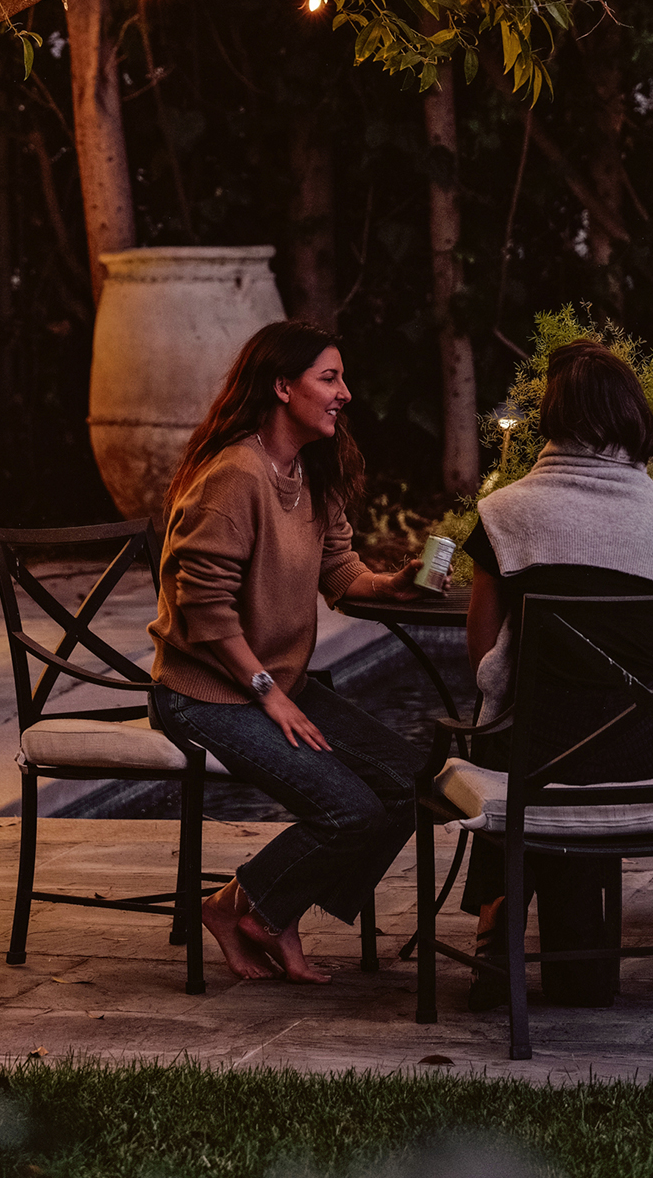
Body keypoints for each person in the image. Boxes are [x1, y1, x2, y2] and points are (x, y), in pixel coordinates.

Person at [149, 319, 425, 983]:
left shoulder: (310, 470)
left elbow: (340, 573)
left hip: (277, 684)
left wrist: (393, 584)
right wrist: (268, 693)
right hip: (204, 691)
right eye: (328, 378)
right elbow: (202, 606)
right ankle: (254, 911)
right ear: (282, 386)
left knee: (418, 782)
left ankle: (254, 908)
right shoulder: (234, 476)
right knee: (350, 810)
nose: (345, 393)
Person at [457, 339, 653, 1005]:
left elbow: (482, 654)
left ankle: (495, 924)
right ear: (631, 418)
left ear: (552, 417)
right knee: (579, 746)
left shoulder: (506, 513)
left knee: (518, 744)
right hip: (640, 748)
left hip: (536, 747)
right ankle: (579, 968)